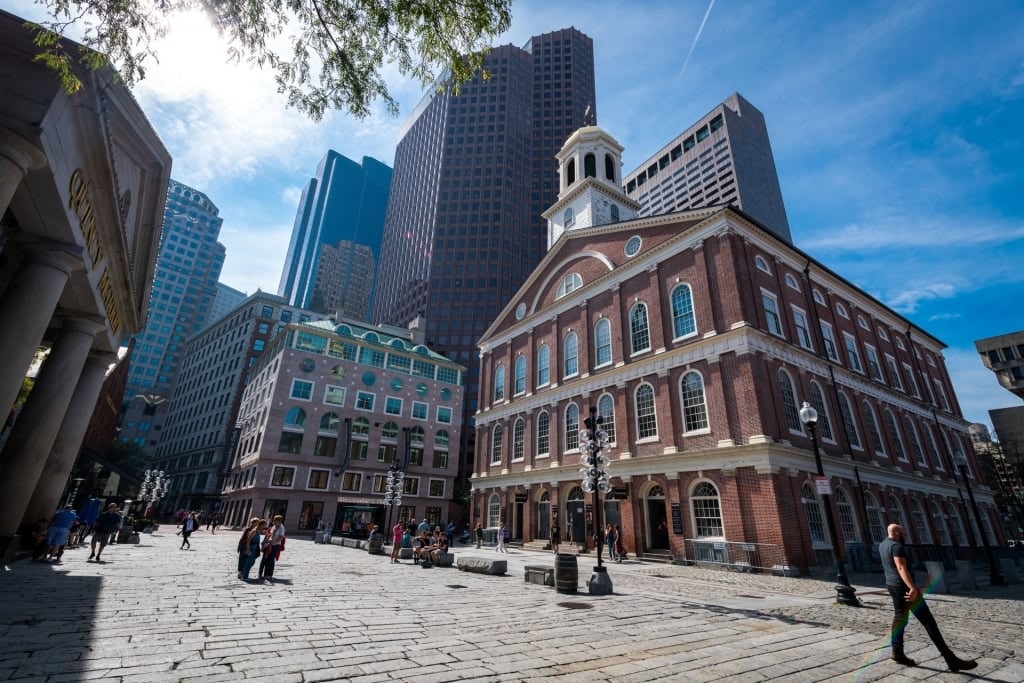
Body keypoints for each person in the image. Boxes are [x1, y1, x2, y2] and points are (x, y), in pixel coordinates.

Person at [879, 523, 977, 671]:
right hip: (904, 588)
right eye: (903, 532)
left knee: (900, 619)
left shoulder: (882, 545)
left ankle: (897, 652)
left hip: (892, 585)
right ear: (898, 533)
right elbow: (900, 567)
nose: (905, 535)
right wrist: (912, 588)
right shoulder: (897, 547)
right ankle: (951, 660)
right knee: (929, 623)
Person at [260, 514, 286, 584]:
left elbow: (281, 537)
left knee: (271, 559)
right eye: (274, 519)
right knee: (267, 559)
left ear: (279, 521)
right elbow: (270, 535)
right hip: (270, 544)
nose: (274, 521)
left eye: (275, 520)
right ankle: (265, 574)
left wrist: (273, 541)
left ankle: (269, 574)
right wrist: (267, 534)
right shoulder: (274, 526)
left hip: (275, 545)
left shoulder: (281, 528)